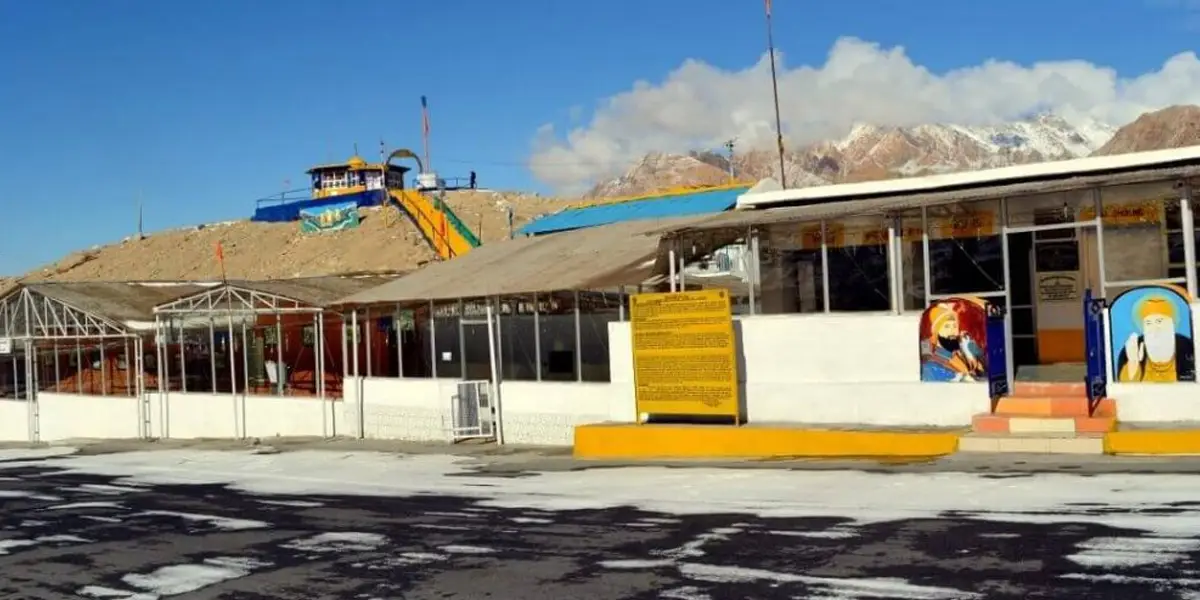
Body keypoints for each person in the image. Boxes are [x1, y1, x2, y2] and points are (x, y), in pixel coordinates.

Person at [1116, 294, 1196, 382]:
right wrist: (1133, 362)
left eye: (1159, 321)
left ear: (1171, 323)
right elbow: (1125, 386)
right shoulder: (1134, 348)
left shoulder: (1188, 346)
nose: (1154, 328)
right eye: (1148, 323)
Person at [920, 302, 985, 382]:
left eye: (954, 326)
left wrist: (967, 352)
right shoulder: (931, 366)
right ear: (935, 332)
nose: (952, 331)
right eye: (947, 326)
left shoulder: (958, 355)